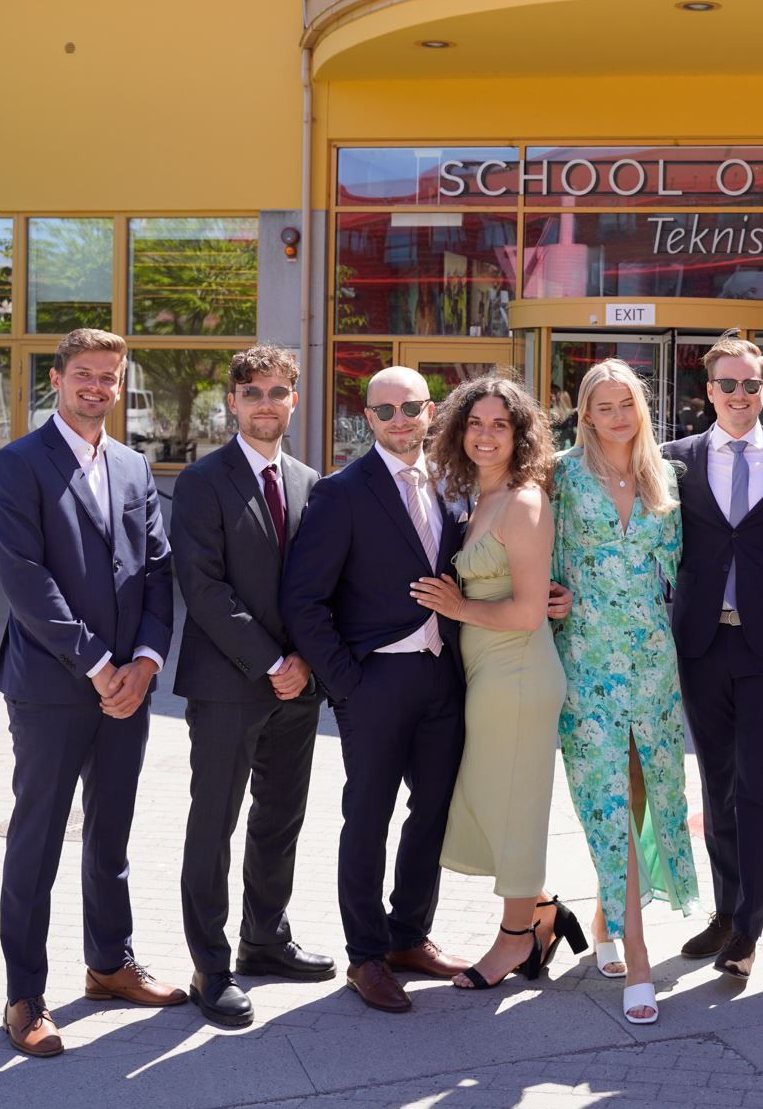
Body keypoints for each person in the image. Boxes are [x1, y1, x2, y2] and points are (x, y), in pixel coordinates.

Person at [0, 328, 180, 1057]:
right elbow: (27, 580)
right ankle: (24, 996)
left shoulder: (132, 465)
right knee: (37, 842)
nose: (97, 387)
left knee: (111, 833)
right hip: (52, 687)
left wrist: (147, 663)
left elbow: (157, 569)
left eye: (109, 377)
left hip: (130, 685)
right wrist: (99, 665)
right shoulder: (17, 464)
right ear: (57, 379)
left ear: (121, 386)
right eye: (84, 375)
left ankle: (109, 963)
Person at [280, 366, 470, 1014]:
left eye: (411, 407)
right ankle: (366, 955)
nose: (399, 420)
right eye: (385, 410)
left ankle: (408, 936)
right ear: (367, 418)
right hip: (375, 681)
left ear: (430, 411)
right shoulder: (341, 492)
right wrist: (348, 684)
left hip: (444, 675)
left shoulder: (453, 484)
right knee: (368, 816)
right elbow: (304, 600)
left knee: (433, 810)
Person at [170, 345, 333, 1029]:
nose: (266, 403)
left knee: (280, 817)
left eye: (277, 392)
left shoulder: (310, 481)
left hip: (299, 685)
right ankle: (210, 965)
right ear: (233, 401)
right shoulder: (202, 481)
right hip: (228, 683)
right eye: (253, 392)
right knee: (215, 822)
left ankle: (265, 938)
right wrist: (272, 661)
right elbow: (203, 587)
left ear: (294, 399)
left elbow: (321, 584)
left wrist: (305, 662)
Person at [408, 376, 584, 991]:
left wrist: (458, 608)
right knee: (490, 802)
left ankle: (514, 938)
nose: (485, 435)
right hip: (487, 674)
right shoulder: (476, 498)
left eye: (500, 425)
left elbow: (530, 612)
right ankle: (542, 911)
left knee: (515, 810)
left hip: (518, 674)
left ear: (520, 436)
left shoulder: (524, 502)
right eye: (475, 423)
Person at [551, 358, 699, 1026]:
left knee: (643, 789)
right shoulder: (559, 474)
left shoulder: (663, 474)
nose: (616, 416)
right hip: (584, 655)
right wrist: (542, 594)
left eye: (626, 404)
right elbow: (532, 545)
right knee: (604, 792)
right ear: (585, 413)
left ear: (641, 408)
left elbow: (683, 565)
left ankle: (604, 915)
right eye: (603, 406)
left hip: (651, 657)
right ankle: (638, 956)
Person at [662, 334, 763, 982]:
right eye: (727, 384)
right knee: (716, 785)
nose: (739, 394)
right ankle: (725, 912)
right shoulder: (673, 461)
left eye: (751, 384)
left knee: (760, 789)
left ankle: (749, 927)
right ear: (709, 390)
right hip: (701, 643)